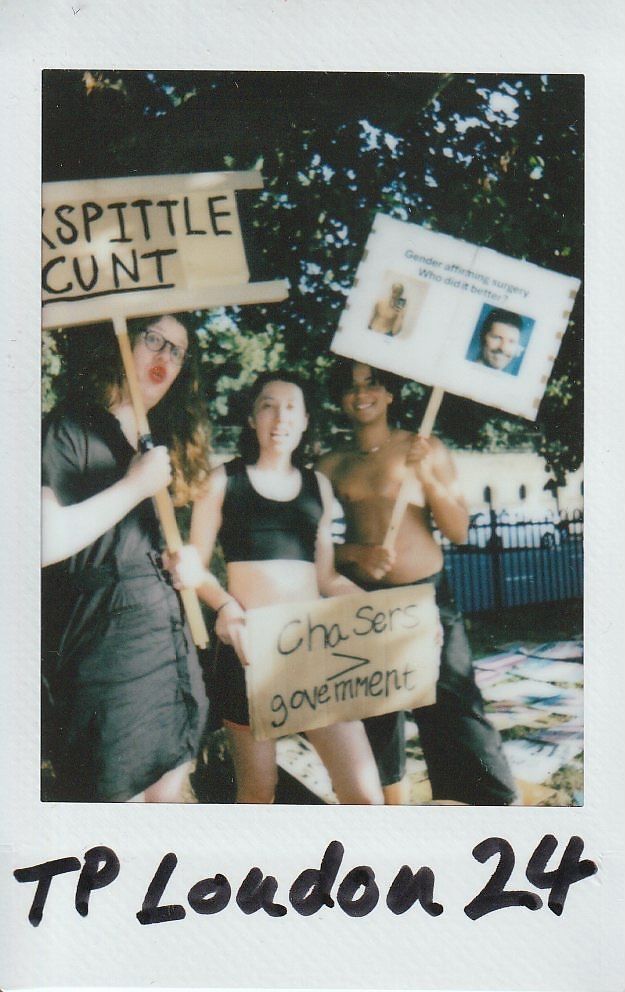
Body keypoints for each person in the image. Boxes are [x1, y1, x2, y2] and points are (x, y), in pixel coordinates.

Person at [169, 371, 384, 805]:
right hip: (250, 656)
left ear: (305, 421)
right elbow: (196, 567)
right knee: (258, 793)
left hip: (313, 655)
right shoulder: (223, 480)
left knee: (365, 795)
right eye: (268, 405)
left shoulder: (317, 487)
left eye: (291, 408)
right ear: (252, 417)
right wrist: (225, 606)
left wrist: (395, 614)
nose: (279, 417)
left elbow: (327, 579)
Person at [317, 359, 516, 806]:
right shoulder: (330, 464)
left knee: (454, 706)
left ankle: (492, 806)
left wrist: (425, 474)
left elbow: (460, 530)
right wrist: (356, 554)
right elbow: (311, 542)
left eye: (372, 383)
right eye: (350, 387)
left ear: (390, 394)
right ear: (339, 398)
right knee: (376, 716)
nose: (361, 393)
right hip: (364, 603)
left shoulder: (424, 448)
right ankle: (392, 814)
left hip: (427, 597)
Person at [42, 313, 211, 802]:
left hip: (169, 652)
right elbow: (43, 544)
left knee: (167, 812)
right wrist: (134, 485)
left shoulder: (161, 442)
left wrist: (189, 569)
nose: (165, 357)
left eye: (177, 350)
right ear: (119, 343)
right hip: (105, 658)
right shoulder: (67, 427)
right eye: (153, 338)